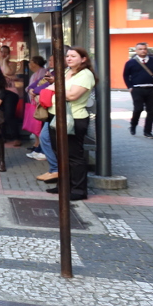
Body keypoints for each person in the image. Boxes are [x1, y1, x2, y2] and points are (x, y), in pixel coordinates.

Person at [44, 47, 97, 201]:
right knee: (60, 153)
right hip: (57, 116)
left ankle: (79, 190)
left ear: (83, 59)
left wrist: (53, 89)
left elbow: (73, 95)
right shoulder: (67, 71)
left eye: (73, 56)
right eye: (67, 56)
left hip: (74, 119)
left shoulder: (85, 74)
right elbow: (59, 87)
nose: (69, 58)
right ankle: (64, 185)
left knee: (74, 155)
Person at [123, 42, 153, 138]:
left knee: (151, 111)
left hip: (151, 89)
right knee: (138, 109)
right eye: (140, 49)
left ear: (147, 50)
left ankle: (147, 131)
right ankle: (133, 125)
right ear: (136, 51)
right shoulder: (130, 62)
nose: (143, 51)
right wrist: (130, 87)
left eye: (144, 49)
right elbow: (125, 75)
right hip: (137, 89)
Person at [0, 44, 24, 146]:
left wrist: (4, 62)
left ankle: (16, 137)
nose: (3, 54)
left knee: (9, 115)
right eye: (2, 52)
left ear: (9, 54)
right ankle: (2, 137)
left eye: (6, 52)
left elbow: (8, 72)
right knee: (0, 115)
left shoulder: (12, 63)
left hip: (11, 92)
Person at [22, 56, 48, 156]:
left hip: (38, 102)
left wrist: (30, 89)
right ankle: (36, 143)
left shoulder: (42, 71)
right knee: (35, 123)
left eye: (31, 62)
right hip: (34, 101)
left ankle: (39, 145)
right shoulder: (36, 73)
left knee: (38, 123)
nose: (29, 64)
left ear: (35, 63)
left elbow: (39, 85)